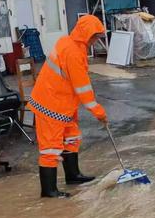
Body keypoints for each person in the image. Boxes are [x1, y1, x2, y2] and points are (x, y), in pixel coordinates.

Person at [28, 15, 108, 198]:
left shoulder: (71, 43)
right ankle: (49, 191)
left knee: (71, 139)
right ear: (86, 34)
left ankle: (73, 175)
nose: (96, 40)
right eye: (95, 36)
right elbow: (83, 89)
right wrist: (99, 113)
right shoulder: (73, 53)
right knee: (50, 148)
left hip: (63, 104)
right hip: (50, 104)